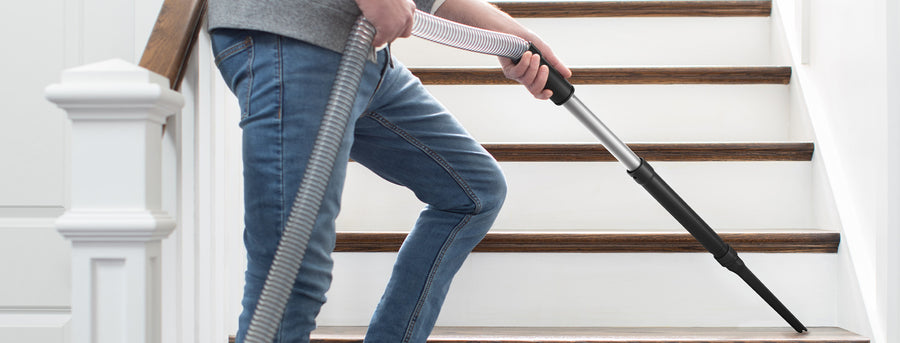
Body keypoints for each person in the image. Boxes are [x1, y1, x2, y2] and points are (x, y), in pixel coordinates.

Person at [207, 0, 571, 342]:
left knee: (475, 191)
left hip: (368, 56)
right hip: (295, 38)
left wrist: (519, 41)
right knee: (290, 276)